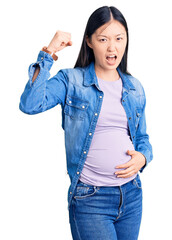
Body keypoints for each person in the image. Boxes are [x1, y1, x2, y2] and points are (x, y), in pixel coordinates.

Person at [19, 5, 153, 240]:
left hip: (132, 195)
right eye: (103, 39)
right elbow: (30, 104)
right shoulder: (72, 80)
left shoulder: (135, 87)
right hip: (91, 199)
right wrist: (49, 53)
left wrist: (143, 157)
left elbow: (142, 138)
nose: (112, 47)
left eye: (119, 38)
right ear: (90, 41)